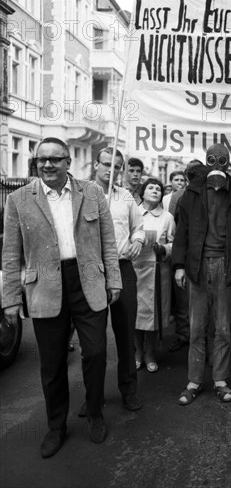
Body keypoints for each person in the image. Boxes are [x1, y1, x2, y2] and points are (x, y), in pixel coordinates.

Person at [1, 137, 121, 457]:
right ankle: (56, 426)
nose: (48, 164)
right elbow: (11, 255)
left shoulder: (92, 192)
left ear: (68, 162)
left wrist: (114, 280)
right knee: (52, 365)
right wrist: (10, 297)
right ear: (36, 163)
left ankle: (94, 412)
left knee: (95, 353)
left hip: (89, 283)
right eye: (42, 159)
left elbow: (107, 240)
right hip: (45, 288)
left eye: (55, 159)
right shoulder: (18, 199)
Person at [173, 144, 231, 405]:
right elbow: (182, 231)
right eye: (212, 159)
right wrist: (179, 265)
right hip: (197, 265)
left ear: (228, 162)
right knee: (197, 327)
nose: (217, 164)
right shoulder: (193, 191)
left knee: (222, 327)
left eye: (222, 160)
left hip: (225, 264)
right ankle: (195, 380)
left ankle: (220, 379)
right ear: (207, 162)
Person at [89, 147, 145, 415]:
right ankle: (93, 397)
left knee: (125, 335)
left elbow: (139, 227)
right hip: (91, 271)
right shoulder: (82, 194)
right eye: (107, 164)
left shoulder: (126, 197)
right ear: (95, 165)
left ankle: (129, 390)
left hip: (122, 269)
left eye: (117, 166)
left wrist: (137, 240)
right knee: (93, 342)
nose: (112, 170)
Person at [134, 178, 175, 373]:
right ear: (142, 193)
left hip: (158, 271)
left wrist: (163, 248)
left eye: (158, 188)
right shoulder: (132, 212)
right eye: (150, 187)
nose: (155, 191)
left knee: (153, 316)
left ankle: (150, 353)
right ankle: (137, 352)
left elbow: (175, 244)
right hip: (135, 270)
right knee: (135, 314)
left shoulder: (167, 217)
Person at [167, 160, 208, 353]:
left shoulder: (214, 193)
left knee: (204, 304)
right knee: (185, 302)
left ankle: (202, 342)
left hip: (207, 256)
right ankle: (185, 336)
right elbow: (178, 230)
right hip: (188, 254)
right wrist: (179, 263)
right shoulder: (179, 196)